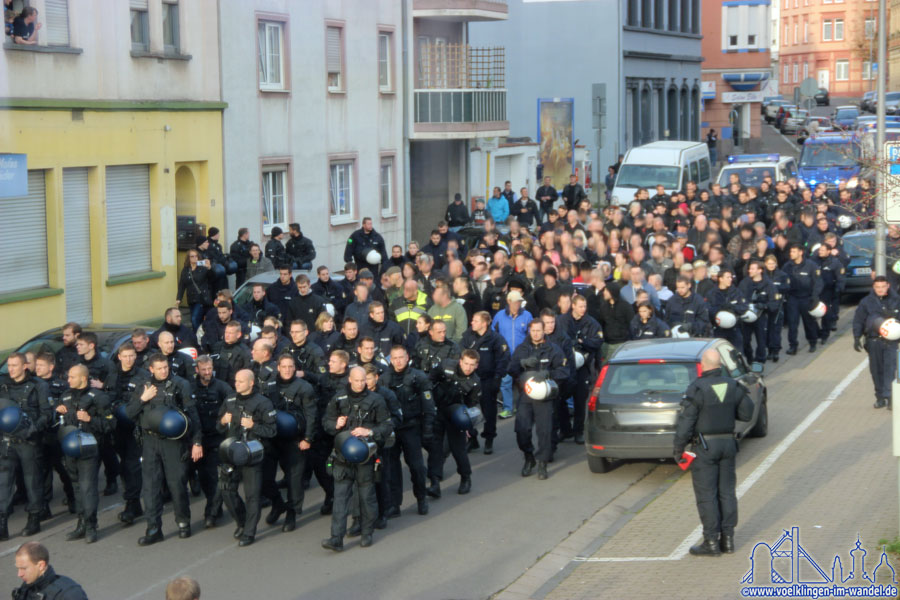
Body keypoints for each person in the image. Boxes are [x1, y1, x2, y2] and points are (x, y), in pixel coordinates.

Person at [673, 349, 753, 556]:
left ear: (703, 364)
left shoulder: (697, 388)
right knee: (727, 492)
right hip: (728, 444)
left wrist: (678, 449)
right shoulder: (733, 385)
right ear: (720, 364)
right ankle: (728, 540)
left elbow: (686, 422)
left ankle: (710, 542)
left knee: (707, 495)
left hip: (704, 447)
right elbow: (747, 413)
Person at [125, 353, 202, 546]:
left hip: (174, 442)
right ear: (151, 369)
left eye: (165, 367)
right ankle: (153, 528)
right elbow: (129, 413)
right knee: (150, 487)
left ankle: (183, 523)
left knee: (177, 483)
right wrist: (143, 399)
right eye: (159, 368)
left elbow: (193, 414)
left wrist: (197, 442)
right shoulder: (143, 385)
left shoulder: (180, 384)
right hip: (150, 441)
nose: (164, 371)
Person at [320, 366, 392, 552]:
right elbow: (326, 422)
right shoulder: (338, 398)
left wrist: (369, 431)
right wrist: (335, 424)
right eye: (357, 380)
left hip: (366, 456)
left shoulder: (376, 400)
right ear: (349, 380)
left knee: (366, 496)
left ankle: (367, 532)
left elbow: (386, 426)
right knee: (340, 498)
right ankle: (336, 538)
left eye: (363, 380)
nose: (361, 383)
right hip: (342, 456)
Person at [217, 369, 276, 547]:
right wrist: (222, 421)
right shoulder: (230, 400)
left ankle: (249, 532)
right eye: (236, 381)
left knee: (252, 495)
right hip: (232, 452)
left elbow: (272, 431)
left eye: (241, 381)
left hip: (253, 454)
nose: (237, 384)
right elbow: (218, 427)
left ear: (251, 383)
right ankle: (242, 522)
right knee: (226, 489)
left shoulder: (263, 402)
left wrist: (254, 426)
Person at [56, 364, 113, 544]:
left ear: (83, 378)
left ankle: (90, 525)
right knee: (77, 487)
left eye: (72, 377)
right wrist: (57, 412)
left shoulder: (99, 397)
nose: (68, 380)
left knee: (88, 488)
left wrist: (91, 419)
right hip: (69, 449)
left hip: (89, 449)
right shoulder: (65, 396)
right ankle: (80, 523)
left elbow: (111, 424)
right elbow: (59, 422)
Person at [509, 319, 567, 480]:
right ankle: (529, 457)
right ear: (529, 331)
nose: (536, 333)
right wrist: (521, 363)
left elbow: (564, 371)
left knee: (545, 431)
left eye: (539, 330)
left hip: (545, 397)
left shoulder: (553, 349)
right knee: (521, 429)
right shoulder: (522, 349)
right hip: (526, 395)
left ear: (544, 331)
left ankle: (542, 462)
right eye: (533, 330)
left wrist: (548, 374)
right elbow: (510, 369)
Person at [0, 353, 50, 541]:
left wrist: (32, 430)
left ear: (25, 366)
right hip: (6, 441)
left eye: (14, 365)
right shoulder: (2, 384)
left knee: (32, 481)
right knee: (3, 483)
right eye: (9, 365)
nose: (10, 369)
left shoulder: (39, 386)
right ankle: (2, 523)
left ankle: (34, 518)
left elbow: (46, 414)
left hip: (29, 441)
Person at [381, 345, 435, 517]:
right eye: (394, 358)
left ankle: (421, 498)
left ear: (407, 357)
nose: (398, 361)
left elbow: (428, 406)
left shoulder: (418, 377)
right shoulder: (384, 379)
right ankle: (394, 505)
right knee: (392, 469)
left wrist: (427, 429)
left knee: (417, 467)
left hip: (412, 427)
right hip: (393, 429)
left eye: (401, 357)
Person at [266, 355, 317, 533]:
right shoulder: (270, 384)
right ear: (278, 367)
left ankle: (292, 512)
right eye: (284, 366)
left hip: (296, 439)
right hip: (272, 438)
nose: (287, 369)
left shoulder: (304, 387)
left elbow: (311, 415)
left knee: (294, 479)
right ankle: (277, 504)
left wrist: (308, 439)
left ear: (295, 368)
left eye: (291, 366)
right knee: (265, 478)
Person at [426, 351, 481, 497]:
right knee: (435, 448)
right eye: (466, 363)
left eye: (472, 365)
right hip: (438, 410)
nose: (468, 368)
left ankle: (465, 478)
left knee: (458, 449)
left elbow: (473, 405)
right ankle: (435, 483)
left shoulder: (475, 382)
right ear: (460, 361)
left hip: (457, 415)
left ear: (476, 366)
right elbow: (429, 380)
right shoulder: (445, 366)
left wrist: (469, 426)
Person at [104, 343, 147, 526]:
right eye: (126, 355)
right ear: (119, 357)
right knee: (124, 466)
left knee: (132, 466)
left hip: (135, 426)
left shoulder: (143, 376)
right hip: (116, 426)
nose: (129, 359)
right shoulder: (112, 375)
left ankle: (132, 503)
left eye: (132, 355)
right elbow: (107, 397)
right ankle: (134, 502)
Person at [460, 311, 510, 454]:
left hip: (487, 380)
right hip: (470, 379)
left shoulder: (495, 339)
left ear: (485, 323)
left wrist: (497, 378)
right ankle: (472, 438)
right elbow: (461, 353)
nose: (472, 323)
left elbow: (503, 359)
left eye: (476, 321)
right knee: (466, 411)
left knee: (489, 412)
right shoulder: (467, 336)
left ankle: (489, 439)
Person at [190, 355, 230, 529]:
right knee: (205, 477)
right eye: (204, 369)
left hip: (219, 437)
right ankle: (214, 503)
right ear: (197, 370)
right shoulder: (190, 388)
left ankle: (211, 513)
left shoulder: (222, 387)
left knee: (217, 477)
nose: (207, 372)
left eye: (209, 369)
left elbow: (233, 402)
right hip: (199, 439)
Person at [852, 276, 900, 409]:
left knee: (890, 369)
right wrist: (857, 337)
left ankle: (890, 397)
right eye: (877, 287)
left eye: (883, 286)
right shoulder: (866, 302)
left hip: (891, 342)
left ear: (888, 286)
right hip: (873, 341)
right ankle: (880, 397)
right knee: (876, 370)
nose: (880, 289)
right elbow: (858, 320)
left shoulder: (896, 300)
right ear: (874, 287)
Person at [491, 290, 533, 420]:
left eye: (519, 302)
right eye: (516, 302)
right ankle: (508, 408)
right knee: (506, 382)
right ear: (509, 301)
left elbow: (531, 334)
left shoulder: (527, 315)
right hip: (505, 356)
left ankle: (523, 407)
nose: (518, 304)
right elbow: (493, 333)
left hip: (522, 356)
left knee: (523, 383)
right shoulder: (499, 316)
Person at [782, 243, 823, 354]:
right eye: (791, 251)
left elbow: (818, 282)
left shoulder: (811, 265)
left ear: (801, 252)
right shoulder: (787, 267)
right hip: (793, 298)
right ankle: (793, 346)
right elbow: (783, 282)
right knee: (792, 323)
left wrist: (814, 298)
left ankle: (812, 342)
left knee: (809, 322)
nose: (791, 254)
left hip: (806, 298)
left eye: (794, 251)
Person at [12, 541, 87, 600]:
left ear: (41, 565)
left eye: (24, 568)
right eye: (18, 568)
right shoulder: (27, 587)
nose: (19, 574)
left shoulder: (70, 594)